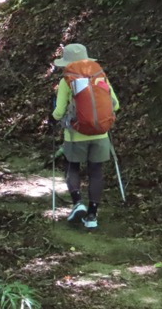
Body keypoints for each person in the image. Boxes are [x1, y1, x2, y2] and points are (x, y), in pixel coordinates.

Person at [51, 43, 119, 229]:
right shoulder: (100, 76)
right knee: (96, 172)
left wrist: (53, 119)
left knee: (71, 166)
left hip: (75, 134)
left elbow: (59, 111)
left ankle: (77, 203)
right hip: (100, 134)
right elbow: (116, 104)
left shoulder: (67, 80)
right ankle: (92, 215)